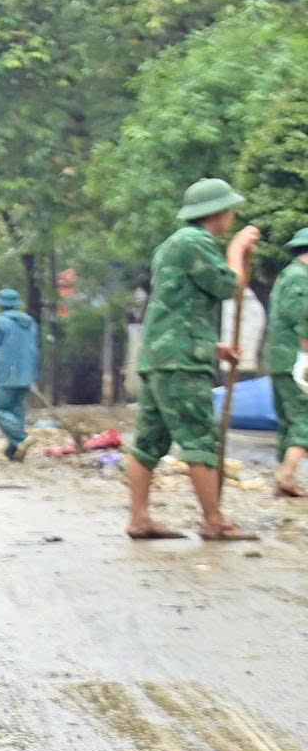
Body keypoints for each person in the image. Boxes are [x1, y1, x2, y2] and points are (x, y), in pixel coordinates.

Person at [125, 178, 261, 541]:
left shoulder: (171, 245)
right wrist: (237, 250)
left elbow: (177, 309)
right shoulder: (196, 242)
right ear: (219, 213)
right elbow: (227, 286)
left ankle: (140, 518)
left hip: (163, 357)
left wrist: (214, 347)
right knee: (200, 439)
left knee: (148, 442)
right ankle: (214, 520)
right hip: (182, 363)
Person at [0, 288, 40, 461]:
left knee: (0, 409)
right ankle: (13, 451)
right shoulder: (31, 322)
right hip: (26, 374)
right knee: (17, 412)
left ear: (0, 303)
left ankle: (22, 438)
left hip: (5, 373)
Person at [275, 227, 308, 498]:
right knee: (304, 416)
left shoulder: (286, 276)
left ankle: (283, 477)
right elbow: (304, 320)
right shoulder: (301, 278)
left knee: (289, 419)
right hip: (295, 360)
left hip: (280, 359)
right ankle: (286, 475)